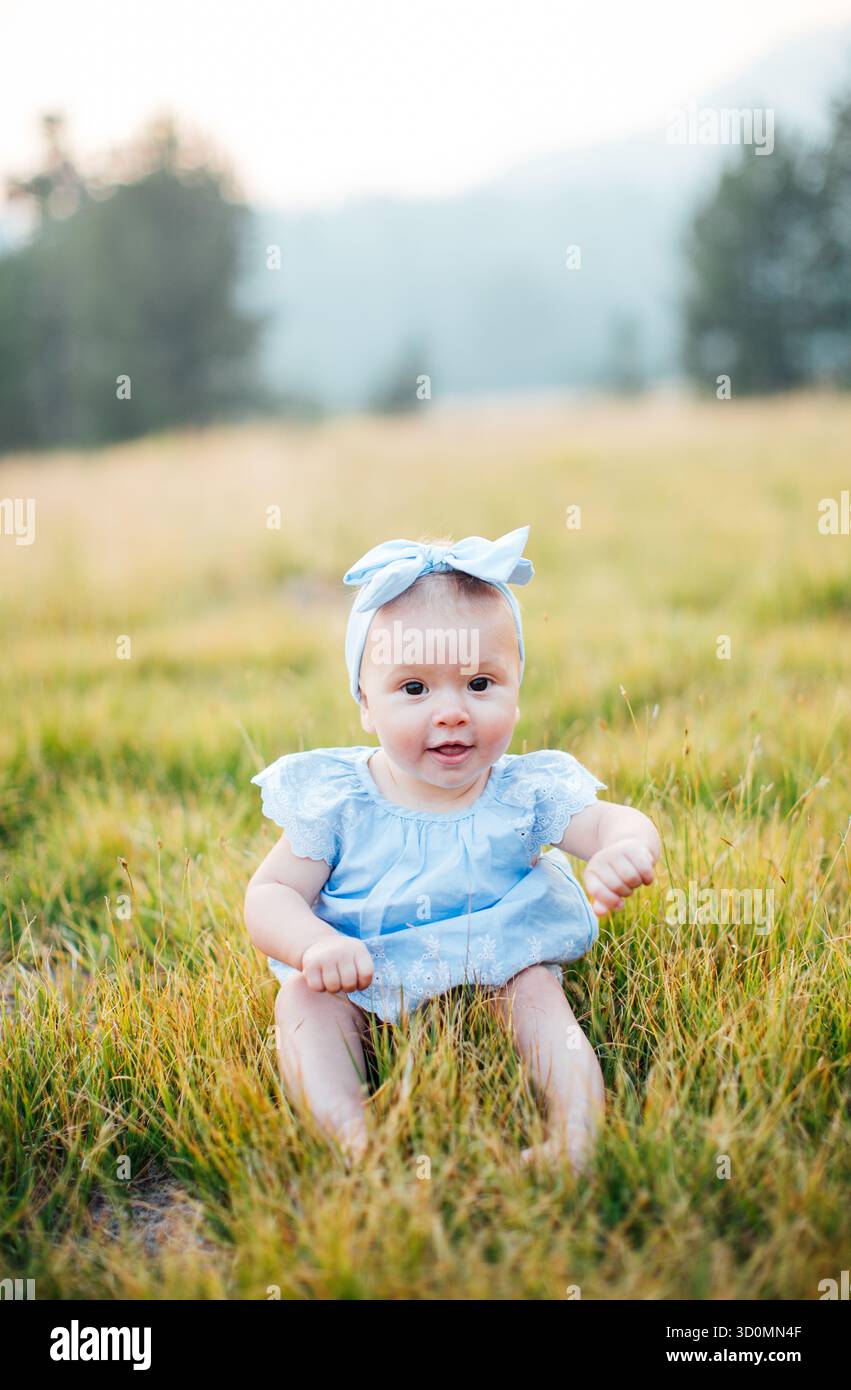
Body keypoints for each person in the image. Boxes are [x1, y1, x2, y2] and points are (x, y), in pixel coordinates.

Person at [244, 526, 660, 1171]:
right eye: (414, 689)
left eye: (481, 683)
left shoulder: (525, 790)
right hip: (365, 965)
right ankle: (353, 1144)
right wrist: (314, 947)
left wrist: (621, 848)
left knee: (538, 996)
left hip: (499, 954)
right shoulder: (338, 797)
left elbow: (612, 820)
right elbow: (270, 895)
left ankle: (576, 1133)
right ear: (364, 703)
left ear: (517, 688)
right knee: (302, 999)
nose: (451, 712)